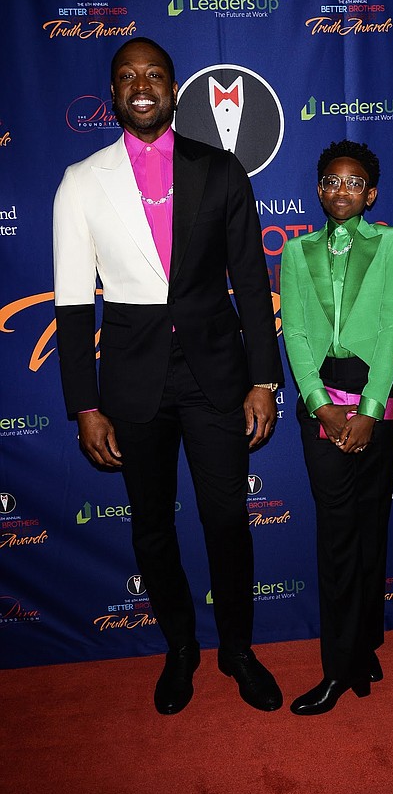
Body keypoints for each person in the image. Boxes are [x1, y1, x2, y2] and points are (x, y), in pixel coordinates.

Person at [53, 37, 284, 715]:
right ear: (114, 93)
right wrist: (83, 405)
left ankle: (237, 648)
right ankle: (180, 646)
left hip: (216, 372)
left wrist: (263, 380)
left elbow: (249, 278)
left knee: (226, 518)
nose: (142, 84)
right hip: (132, 380)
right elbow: (71, 301)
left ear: (176, 89)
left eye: (154, 73)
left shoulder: (220, 169)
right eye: (128, 76)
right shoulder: (82, 180)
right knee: (151, 525)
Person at [280, 140, 393, 715]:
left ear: (370, 194)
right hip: (323, 408)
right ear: (319, 188)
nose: (341, 190)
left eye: (353, 183)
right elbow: (297, 337)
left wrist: (368, 409)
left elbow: (389, 331)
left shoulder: (392, 244)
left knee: (371, 531)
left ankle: (365, 643)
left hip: (375, 408)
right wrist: (320, 405)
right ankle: (338, 668)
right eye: (331, 181)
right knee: (337, 539)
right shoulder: (296, 251)